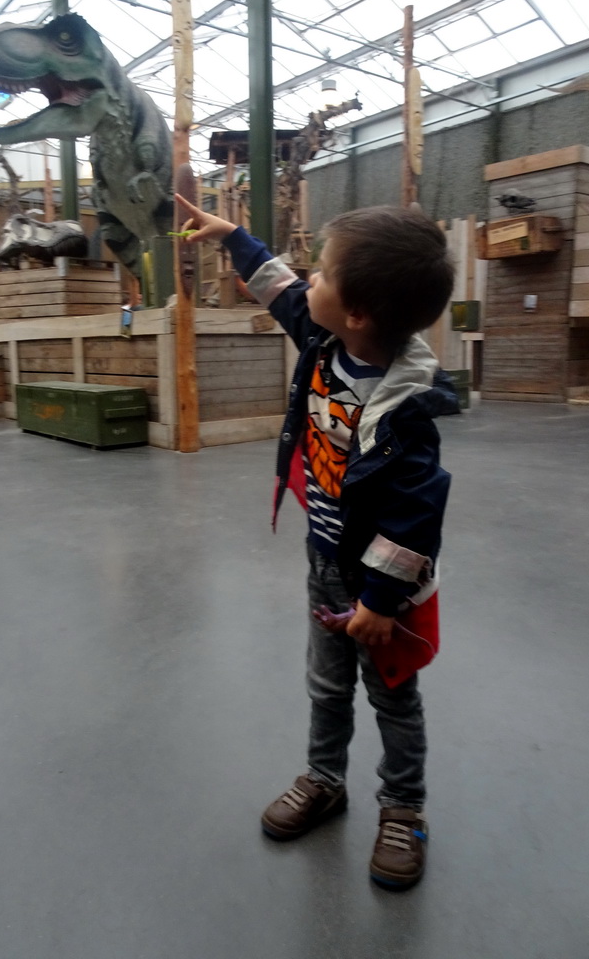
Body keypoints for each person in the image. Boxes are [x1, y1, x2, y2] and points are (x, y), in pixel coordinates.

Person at [175, 192, 457, 890]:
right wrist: (233, 236)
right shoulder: (328, 340)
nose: (310, 280)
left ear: (358, 312)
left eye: (323, 273)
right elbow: (280, 291)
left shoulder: (407, 410)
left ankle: (403, 808)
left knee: (393, 696)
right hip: (324, 564)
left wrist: (383, 599)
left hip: (383, 589)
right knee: (326, 685)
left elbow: (418, 514)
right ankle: (326, 779)